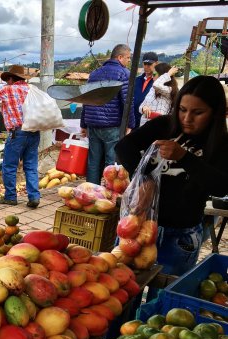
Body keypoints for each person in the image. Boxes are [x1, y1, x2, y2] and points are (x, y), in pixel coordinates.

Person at [116, 75, 228, 277]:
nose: (187, 119)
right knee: (124, 289)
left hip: (180, 236)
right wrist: (144, 178)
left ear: (214, 113)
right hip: (137, 227)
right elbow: (124, 146)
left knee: (164, 300)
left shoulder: (221, 144)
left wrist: (184, 157)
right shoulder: (163, 126)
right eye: (182, 110)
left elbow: (221, 186)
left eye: (198, 113)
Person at [0, 64, 40, 208]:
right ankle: (34, 197)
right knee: (31, 166)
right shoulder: (32, 89)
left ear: (11, 79)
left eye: (8, 79)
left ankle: (11, 197)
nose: (7, 82)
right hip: (34, 131)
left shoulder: (9, 90)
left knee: (9, 166)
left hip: (17, 133)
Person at [81, 44, 135, 184]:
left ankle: (91, 193)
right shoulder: (124, 74)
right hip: (112, 126)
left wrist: (83, 124)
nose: (129, 61)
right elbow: (128, 101)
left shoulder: (94, 74)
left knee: (93, 161)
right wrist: (130, 124)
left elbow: (85, 99)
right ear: (120, 57)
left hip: (93, 125)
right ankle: (108, 195)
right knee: (111, 164)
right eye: (128, 58)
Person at [133, 52, 159, 130]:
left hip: (148, 121)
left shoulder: (158, 82)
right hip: (133, 120)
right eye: (145, 64)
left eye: (149, 64)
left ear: (156, 64)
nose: (147, 67)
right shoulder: (136, 80)